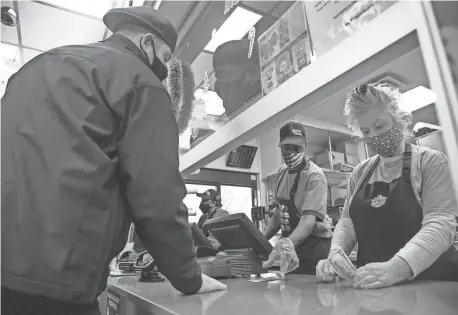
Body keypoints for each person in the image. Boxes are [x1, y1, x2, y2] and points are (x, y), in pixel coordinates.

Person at [1, 6, 225, 315]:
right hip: (60, 278)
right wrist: (189, 278)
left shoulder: (35, 68)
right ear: (147, 44)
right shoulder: (140, 81)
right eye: (164, 58)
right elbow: (157, 194)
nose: (163, 71)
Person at [316, 83, 458, 288]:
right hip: (374, 289)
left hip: (430, 285)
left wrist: (396, 268)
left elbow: (441, 224)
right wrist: (336, 253)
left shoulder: (430, 162)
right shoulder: (360, 172)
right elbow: (347, 222)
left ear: (400, 121)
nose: (373, 135)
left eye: (380, 126)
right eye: (366, 130)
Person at [263, 121, 333, 274]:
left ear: (305, 146)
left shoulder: (314, 176)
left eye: (297, 148)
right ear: (280, 146)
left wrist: (287, 243)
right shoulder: (281, 173)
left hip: (314, 247)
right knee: (291, 292)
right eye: (287, 148)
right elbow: (278, 213)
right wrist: (260, 240)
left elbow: (308, 221)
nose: (291, 152)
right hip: (292, 245)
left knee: (312, 294)